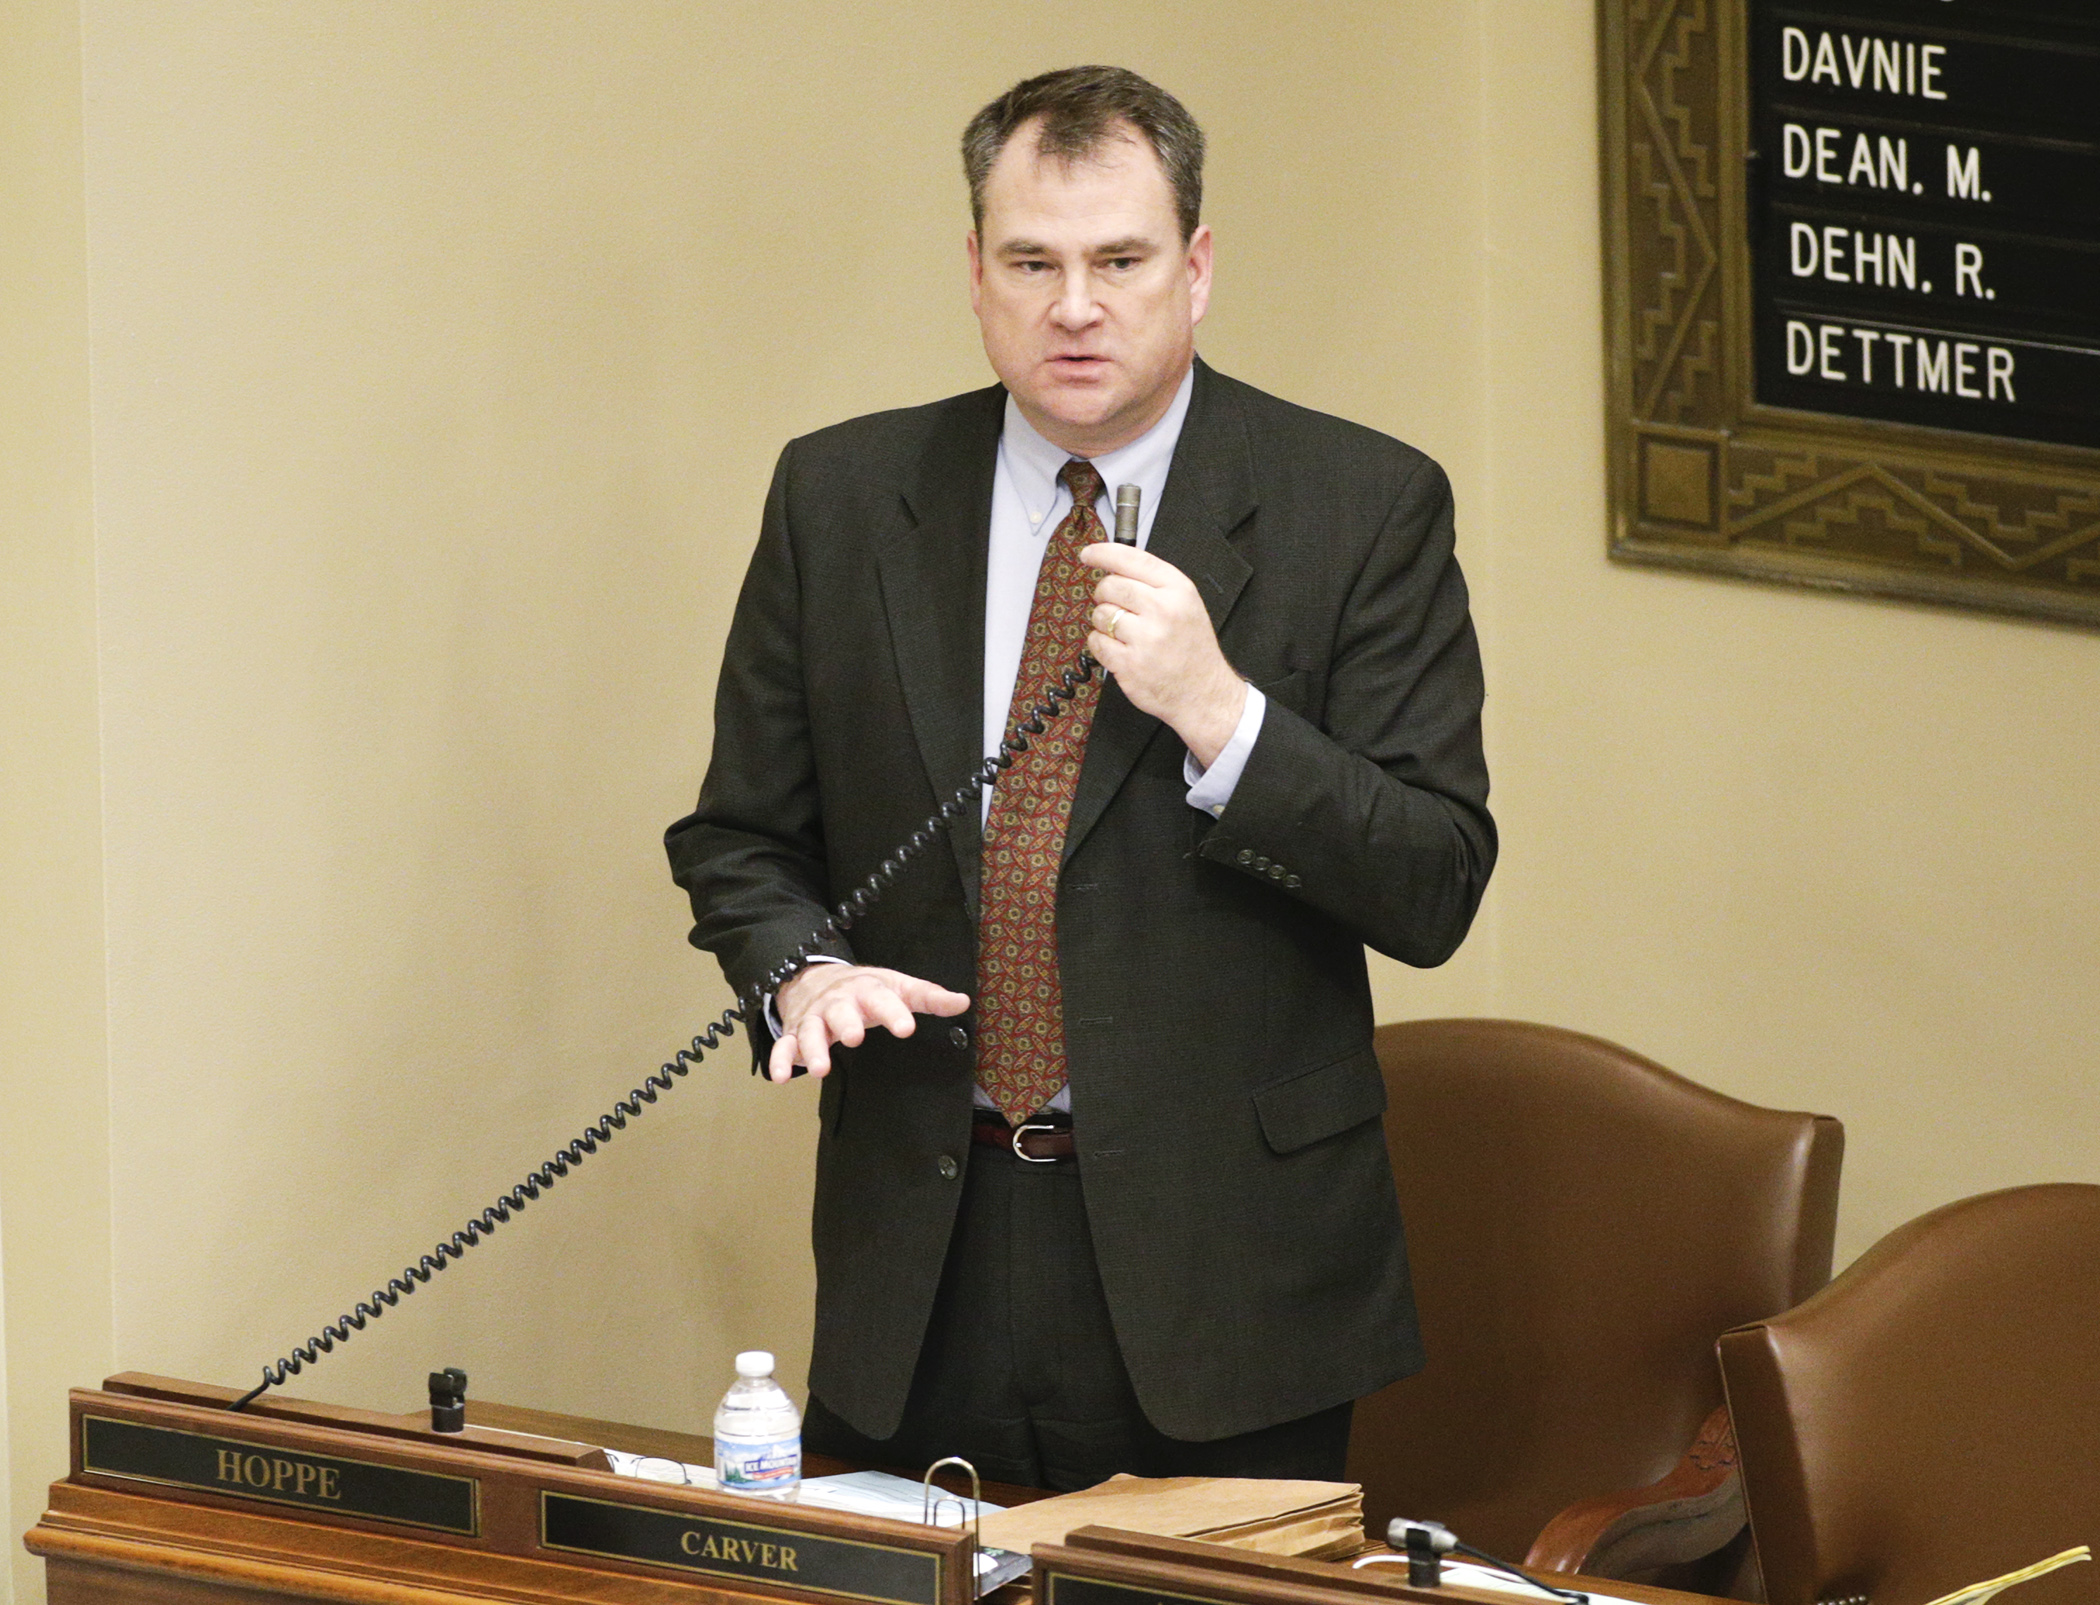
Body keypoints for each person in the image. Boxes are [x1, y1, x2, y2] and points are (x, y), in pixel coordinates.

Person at [666, 65, 1494, 1491]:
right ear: (975, 273)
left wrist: (1226, 715)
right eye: (1031, 262)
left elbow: (1434, 880)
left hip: (1229, 1278)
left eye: (1121, 260)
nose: (1075, 305)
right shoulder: (842, 496)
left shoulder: (1361, 506)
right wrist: (798, 971)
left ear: (1198, 267)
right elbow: (740, 836)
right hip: (922, 1250)